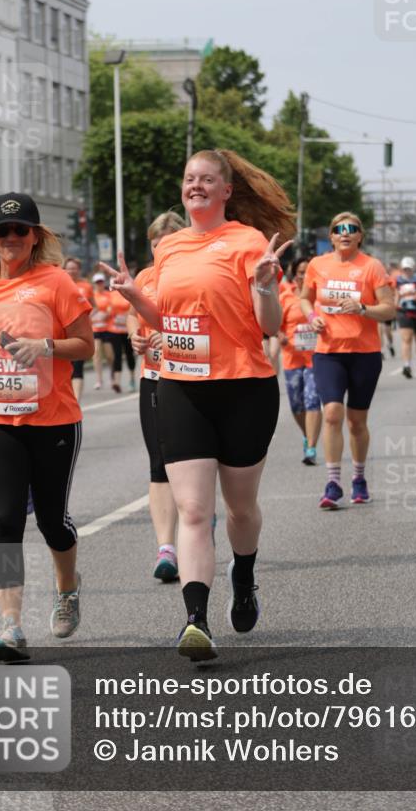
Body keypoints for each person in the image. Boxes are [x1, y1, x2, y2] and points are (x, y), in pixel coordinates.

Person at [101, 149, 294, 661]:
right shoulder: (169, 248)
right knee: (192, 508)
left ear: (227, 191)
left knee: (241, 508)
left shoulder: (248, 243)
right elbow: (164, 318)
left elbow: (270, 326)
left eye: (208, 180)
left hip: (244, 389)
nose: (197, 186)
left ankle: (245, 575)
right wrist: (132, 298)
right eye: (190, 179)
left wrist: (265, 286)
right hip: (181, 387)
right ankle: (196, 621)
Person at [0, 192, 94, 661]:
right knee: (7, 520)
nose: (11, 238)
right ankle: (10, 626)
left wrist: (46, 347)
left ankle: (67, 590)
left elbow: (86, 346)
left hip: (53, 418)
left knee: (53, 521)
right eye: (2, 231)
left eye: (20, 230)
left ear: (36, 237)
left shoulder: (56, 283)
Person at [300, 213, 395, 509]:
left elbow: (390, 309)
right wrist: (312, 317)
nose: (345, 233)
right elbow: (304, 298)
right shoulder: (318, 265)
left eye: (351, 229)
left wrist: (363, 308)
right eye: (338, 229)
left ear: (359, 236)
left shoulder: (371, 267)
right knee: (331, 413)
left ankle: (359, 477)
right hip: (328, 352)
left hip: (365, 353)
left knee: (356, 422)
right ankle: (333, 483)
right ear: (331, 236)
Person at [127, 211, 186, 582]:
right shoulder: (145, 277)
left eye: (166, 243)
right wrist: (135, 335)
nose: (160, 250)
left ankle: (198, 526)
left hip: (194, 379)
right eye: (154, 244)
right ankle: (167, 549)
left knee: (192, 462)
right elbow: (133, 315)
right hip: (153, 377)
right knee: (159, 463)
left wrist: (177, 337)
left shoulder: (198, 275)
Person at [278, 256, 322, 465]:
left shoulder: (320, 296)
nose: (304, 276)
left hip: (316, 357)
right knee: (297, 404)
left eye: (308, 272)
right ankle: (307, 434)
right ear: (295, 275)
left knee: (313, 399)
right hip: (292, 356)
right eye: (301, 272)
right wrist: (280, 336)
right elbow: (274, 324)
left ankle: (311, 448)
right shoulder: (285, 297)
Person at [63, 258, 95, 401]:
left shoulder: (86, 286)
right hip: (62, 332)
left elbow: (94, 305)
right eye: (69, 268)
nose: (72, 271)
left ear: (79, 270)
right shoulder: (59, 285)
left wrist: (87, 318)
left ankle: (76, 399)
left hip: (80, 331)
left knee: (78, 365)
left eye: (74, 268)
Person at [90, 272, 112, 390]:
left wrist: (106, 314)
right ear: (94, 284)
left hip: (107, 328)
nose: (99, 284)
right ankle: (99, 379)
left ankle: (111, 376)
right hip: (95, 329)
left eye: (101, 282)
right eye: (97, 282)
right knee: (96, 353)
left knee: (109, 355)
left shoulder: (108, 295)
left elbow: (111, 308)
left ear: (104, 283)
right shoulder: (92, 296)